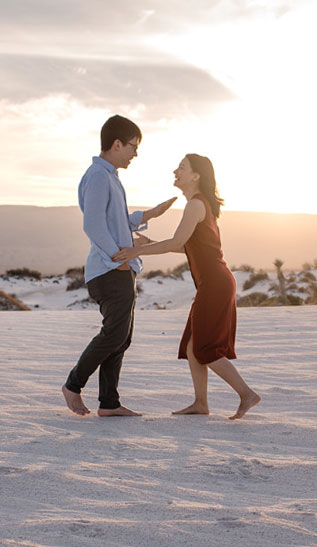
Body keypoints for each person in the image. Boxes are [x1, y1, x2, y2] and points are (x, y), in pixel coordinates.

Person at [113, 154, 261, 419]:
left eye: (181, 167)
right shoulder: (199, 205)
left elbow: (175, 242)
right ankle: (200, 403)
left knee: (206, 348)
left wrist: (135, 251)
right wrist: (148, 244)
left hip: (215, 283)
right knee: (194, 345)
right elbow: (186, 246)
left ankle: (246, 394)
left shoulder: (195, 205)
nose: (175, 171)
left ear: (196, 176)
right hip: (214, 282)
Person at [62, 115, 176, 417]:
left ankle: (109, 403)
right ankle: (73, 385)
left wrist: (148, 214)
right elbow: (94, 225)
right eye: (133, 146)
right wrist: (119, 258)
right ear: (116, 144)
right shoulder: (99, 176)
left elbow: (115, 221)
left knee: (121, 337)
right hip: (109, 271)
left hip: (116, 269)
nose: (135, 153)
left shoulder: (108, 175)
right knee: (113, 335)